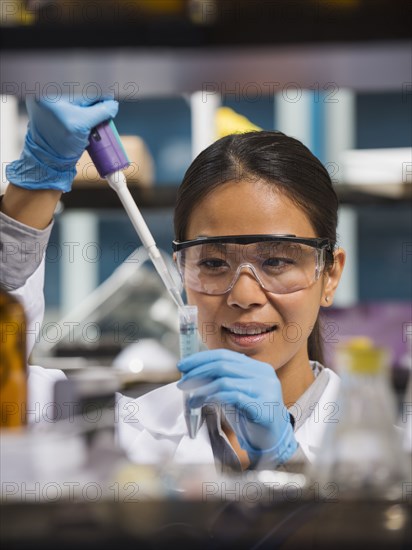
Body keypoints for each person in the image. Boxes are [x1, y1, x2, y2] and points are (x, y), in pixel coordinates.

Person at [0, 97, 345, 473]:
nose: (244, 296)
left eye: (276, 261)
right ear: (180, 270)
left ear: (330, 275)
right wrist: (40, 173)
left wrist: (286, 460)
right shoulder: (124, 431)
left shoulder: (386, 442)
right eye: (213, 262)